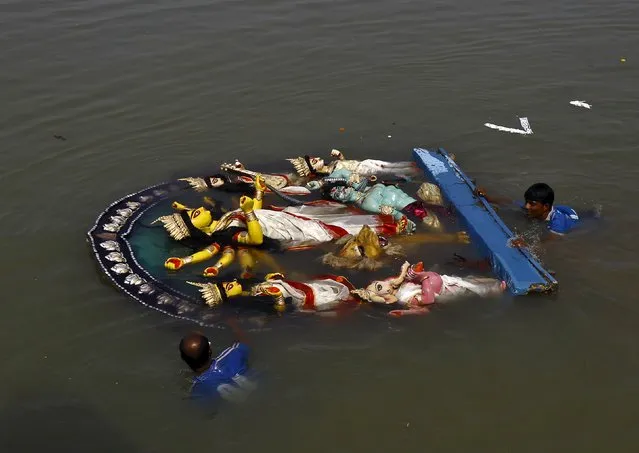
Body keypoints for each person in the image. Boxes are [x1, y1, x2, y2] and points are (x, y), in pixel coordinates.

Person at [477, 182, 579, 241]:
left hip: (575, 221)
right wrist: (488, 198)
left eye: (532, 204)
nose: (526, 206)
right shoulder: (532, 208)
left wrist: (527, 245)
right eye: (526, 202)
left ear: (545, 207)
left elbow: (549, 241)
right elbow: (509, 202)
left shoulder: (558, 223)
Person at [179, 330, 256, 407]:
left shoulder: (198, 388)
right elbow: (245, 342)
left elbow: (207, 414)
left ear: (183, 358)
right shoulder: (232, 355)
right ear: (210, 350)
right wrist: (231, 322)